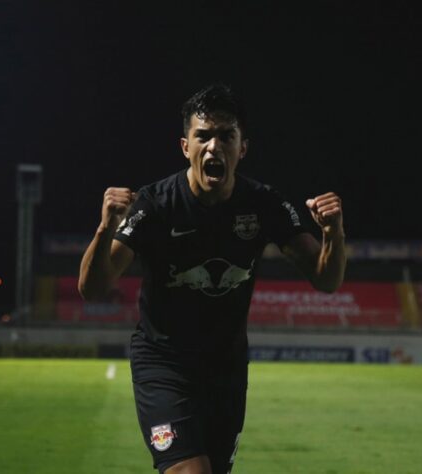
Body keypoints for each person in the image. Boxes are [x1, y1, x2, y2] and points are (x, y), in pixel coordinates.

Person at [78, 84, 346, 473]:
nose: (213, 146)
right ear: (185, 146)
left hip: (226, 369)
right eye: (202, 135)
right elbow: (93, 288)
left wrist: (333, 234)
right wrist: (105, 229)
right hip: (164, 364)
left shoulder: (264, 204)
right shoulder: (155, 205)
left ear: (243, 147)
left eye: (226, 136)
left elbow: (326, 280)